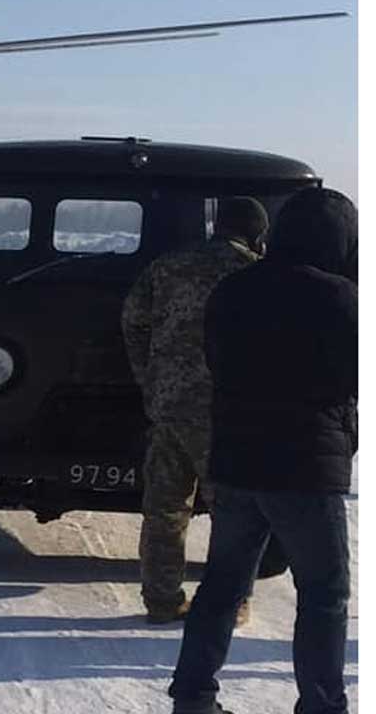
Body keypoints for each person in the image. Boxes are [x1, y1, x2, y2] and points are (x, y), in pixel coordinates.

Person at [168, 187, 357, 714]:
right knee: (323, 595)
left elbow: (215, 362)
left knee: (223, 586)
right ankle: (322, 705)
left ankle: (193, 696)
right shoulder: (343, 298)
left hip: (234, 461)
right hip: (305, 469)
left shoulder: (233, 290)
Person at [122, 197, 269, 624]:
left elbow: (133, 320)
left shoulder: (170, 265)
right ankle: (230, 602)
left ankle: (162, 600)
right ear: (257, 233)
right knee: (235, 514)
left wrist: (147, 376)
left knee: (165, 509)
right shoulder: (254, 274)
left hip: (169, 406)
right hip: (228, 413)